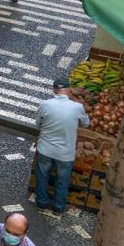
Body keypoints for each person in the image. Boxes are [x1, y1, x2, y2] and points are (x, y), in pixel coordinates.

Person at [34, 77, 89, 214]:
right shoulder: (77, 107)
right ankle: (58, 207)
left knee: (42, 177)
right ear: (69, 90)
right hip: (65, 153)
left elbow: (37, 125)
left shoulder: (45, 104)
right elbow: (86, 123)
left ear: (54, 90)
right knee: (62, 181)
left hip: (45, 149)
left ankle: (42, 203)